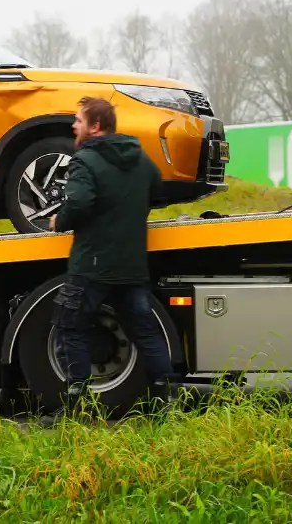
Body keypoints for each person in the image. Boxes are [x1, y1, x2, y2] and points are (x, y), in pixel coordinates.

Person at [41, 95, 176, 424]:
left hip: (92, 266)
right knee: (145, 331)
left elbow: (81, 201)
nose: (74, 125)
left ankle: (78, 408)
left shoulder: (85, 160)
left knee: (71, 329)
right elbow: (157, 189)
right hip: (131, 265)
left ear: (95, 126)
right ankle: (166, 402)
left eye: (78, 120)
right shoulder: (140, 158)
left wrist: (61, 219)